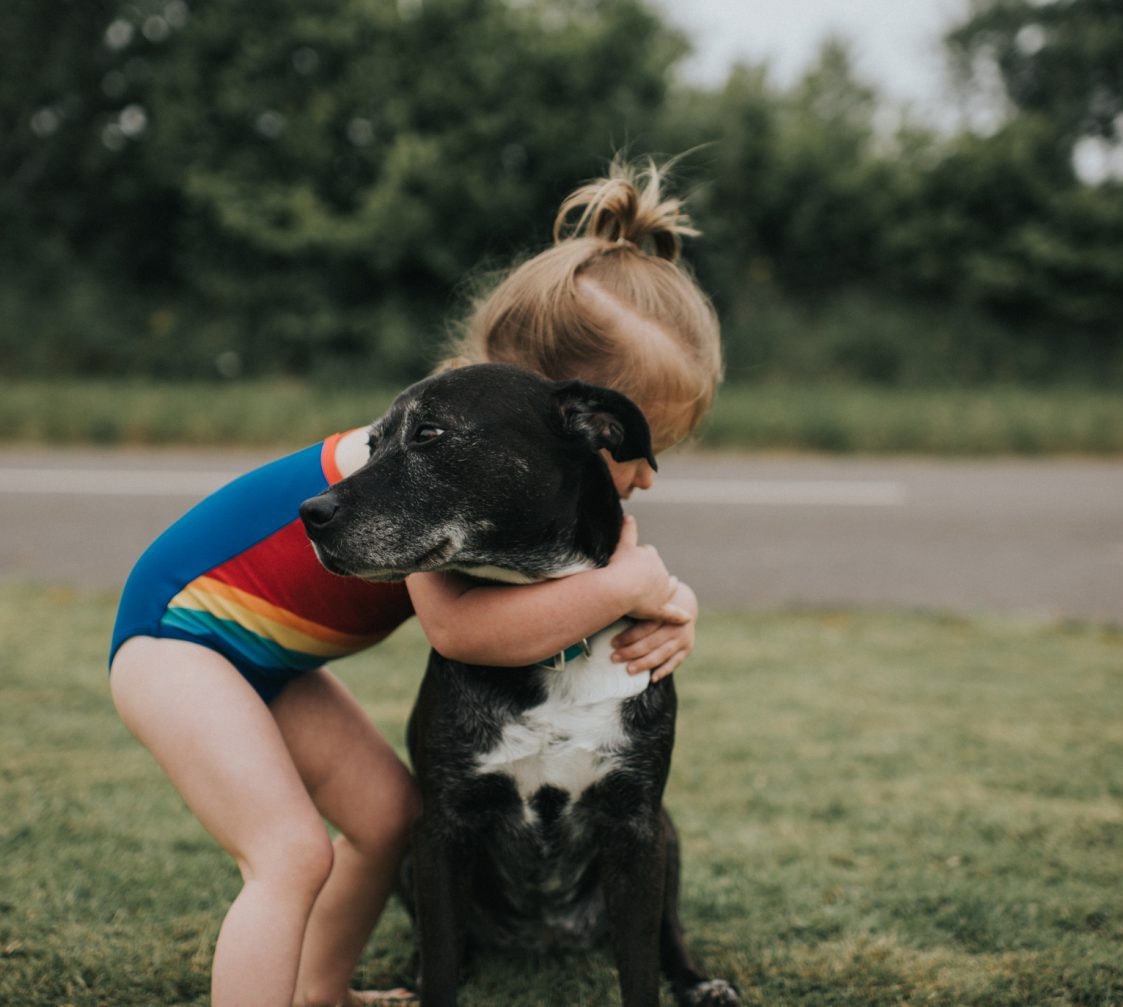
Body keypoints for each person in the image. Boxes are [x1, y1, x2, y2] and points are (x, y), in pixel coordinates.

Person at [107, 157, 723, 1007]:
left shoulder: (503, 477)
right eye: (636, 445)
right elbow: (463, 631)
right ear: (557, 411)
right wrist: (634, 589)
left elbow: (621, 575)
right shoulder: (411, 465)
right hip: (177, 639)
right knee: (289, 851)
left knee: (391, 816)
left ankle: (322, 990)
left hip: (265, 658)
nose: (647, 474)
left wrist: (672, 606)